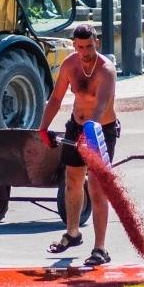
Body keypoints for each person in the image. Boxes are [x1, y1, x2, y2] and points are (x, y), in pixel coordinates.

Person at [38, 23, 119, 266]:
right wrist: (43, 127)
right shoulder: (70, 65)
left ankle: (100, 249)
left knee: (96, 187)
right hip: (76, 126)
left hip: (100, 130)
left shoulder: (106, 69)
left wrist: (90, 132)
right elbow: (56, 98)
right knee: (72, 181)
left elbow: (101, 105)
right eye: (80, 46)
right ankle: (72, 234)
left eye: (89, 46)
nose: (85, 51)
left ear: (97, 42)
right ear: (75, 45)